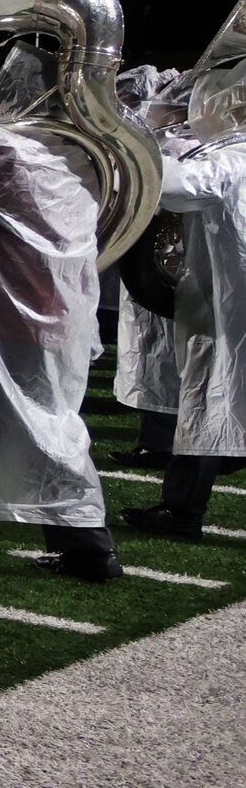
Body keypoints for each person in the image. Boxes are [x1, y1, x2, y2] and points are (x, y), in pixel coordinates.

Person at [0, 44, 123, 580]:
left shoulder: (7, 150)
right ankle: (65, 542)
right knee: (30, 424)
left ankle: (71, 544)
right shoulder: (83, 152)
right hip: (53, 314)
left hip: (6, 314)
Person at [128, 60, 243, 538]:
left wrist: (141, 136)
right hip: (227, 302)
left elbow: (172, 186)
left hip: (228, 308)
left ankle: (182, 510)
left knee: (209, 393)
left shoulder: (233, 156)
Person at [112, 67, 189, 466]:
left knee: (165, 361)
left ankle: (165, 445)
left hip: (168, 268)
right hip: (150, 265)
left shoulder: (177, 147)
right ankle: (158, 440)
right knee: (150, 359)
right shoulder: (163, 142)